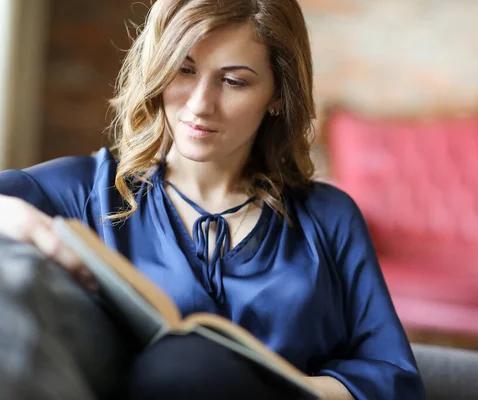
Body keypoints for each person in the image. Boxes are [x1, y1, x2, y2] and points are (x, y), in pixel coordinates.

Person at [0, 0, 424, 399]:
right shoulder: (86, 190)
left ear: (278, 95)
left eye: (233, 81)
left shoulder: (328, 218)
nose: (201, 105)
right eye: (184, 71)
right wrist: (28, 224)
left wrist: (286, 386)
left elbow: (392, 376)